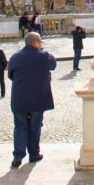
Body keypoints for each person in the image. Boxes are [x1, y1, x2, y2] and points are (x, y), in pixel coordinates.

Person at [7, 31, 57, 168]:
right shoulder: (44, 56)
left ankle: (18, 156)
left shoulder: (15, 57)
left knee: (20, 126)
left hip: (20, 98)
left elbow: (11, 76)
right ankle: (34, 153)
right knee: (35, 126)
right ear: (36, 43)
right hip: (38, 98)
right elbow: (53, 65)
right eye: (40, 43)